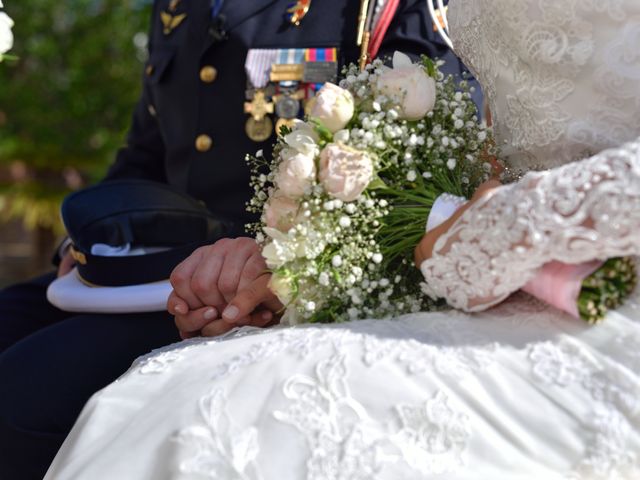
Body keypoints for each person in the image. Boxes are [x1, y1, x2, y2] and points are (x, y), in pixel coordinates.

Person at [44, 0, 640, 478]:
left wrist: (293, 266)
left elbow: (434, 146)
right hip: (177, 271)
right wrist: (94, 238)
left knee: (178, 411)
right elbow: (482, 151)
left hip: (515, 263)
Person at [0, 1, 469, 478]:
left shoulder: (378, 7)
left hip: (259, 292)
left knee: (20, 395)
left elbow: (424, 169)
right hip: (153, 273)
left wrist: (287, 262)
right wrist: (84, 240)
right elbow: (146, 155)